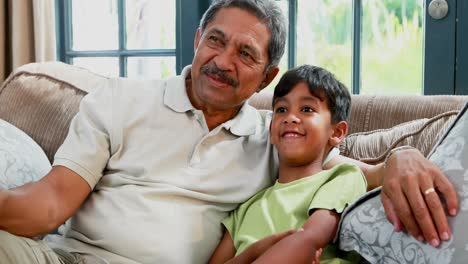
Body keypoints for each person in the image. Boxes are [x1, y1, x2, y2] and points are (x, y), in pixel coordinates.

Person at [0, 0, 458, 263]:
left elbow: (360, 171)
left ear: (266, 76)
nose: (222, 61)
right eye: (215, 40)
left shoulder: (274, 137)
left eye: (245, 53)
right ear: (197, 39)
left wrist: (404, 157)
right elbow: (49, 205)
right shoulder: (119, 100)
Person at [209, 65, 366, 264]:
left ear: (336, 133)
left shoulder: (343, 177)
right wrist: (255, 251)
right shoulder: (247, 207)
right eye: (281, 110)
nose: (290, 118)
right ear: (271, 129)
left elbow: (309, 240)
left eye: (307, 109)